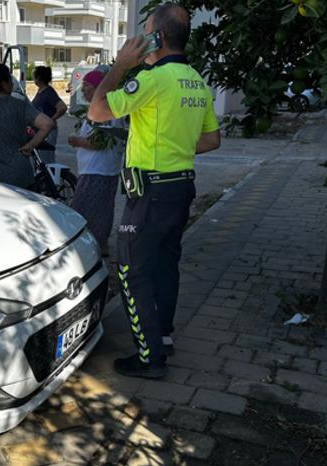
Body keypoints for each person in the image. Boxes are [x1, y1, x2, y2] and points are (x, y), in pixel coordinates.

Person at [88, 2, 221, 378]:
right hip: (180, 189)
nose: (141, 40)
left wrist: (120, 66)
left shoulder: (150, 80)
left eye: (145, 32)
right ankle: (162, 337)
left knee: (131, 271)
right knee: (165, 266)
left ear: (157, 37)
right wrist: (174, 144)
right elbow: (211, 140)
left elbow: (96, 111)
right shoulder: (196, 80)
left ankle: (150, 359)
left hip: (149, 194)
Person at [68, 69, 125, 255]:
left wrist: (77, 141)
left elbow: (99, 142)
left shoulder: (105, 110)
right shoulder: (103, 107)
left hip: (98, 170)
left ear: (99, 88)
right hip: (102, 169)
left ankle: (93, 248)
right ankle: (100, 246)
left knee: (85, 209)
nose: (83, 90)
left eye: (87, 86)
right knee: (101, 210)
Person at [31, 66, 68, 163]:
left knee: (46, 158)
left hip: (48, 132)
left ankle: (50, 177)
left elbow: (62, 108)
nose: (33, 79)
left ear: (39, 78)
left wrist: (50, 120)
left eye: (34, 76)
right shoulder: (40, 91)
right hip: (39, 130)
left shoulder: (48, 92)